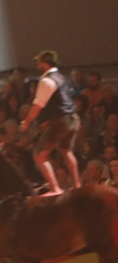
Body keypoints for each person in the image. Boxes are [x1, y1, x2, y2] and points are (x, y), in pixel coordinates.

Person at [19, 50, 81, 196]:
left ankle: (55, 188)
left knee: (40, 154)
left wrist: (27, 122)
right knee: (66, 151)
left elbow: (38, 105)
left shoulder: (47, 80)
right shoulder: (62, 78)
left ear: (44, 62)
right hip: (73, 119)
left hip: (62, 121)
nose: (37, 64)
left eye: (39, 61)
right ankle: (77, 185)